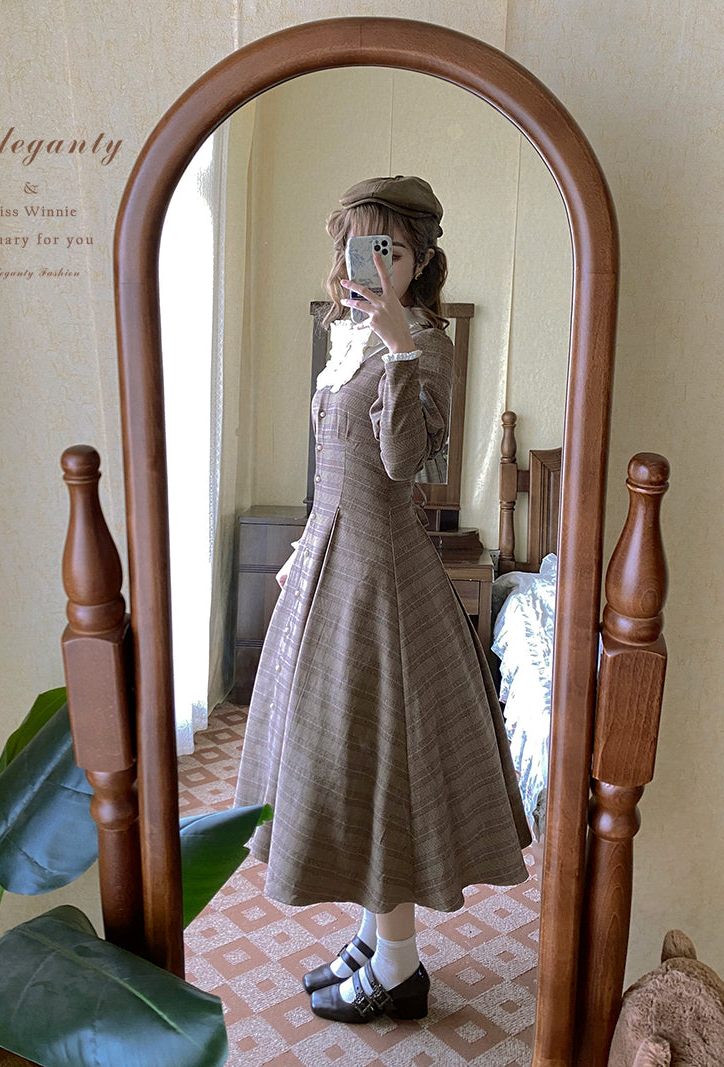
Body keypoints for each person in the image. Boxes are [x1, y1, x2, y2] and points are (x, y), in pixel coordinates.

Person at [233, 175, 531, 1024]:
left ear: (419, 261)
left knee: (380, 766)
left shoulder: (425, 344)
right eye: (357, 246)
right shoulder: (347, 337)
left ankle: (399, 966)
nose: (367, 262)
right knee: (346, 757)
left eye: (388, 249)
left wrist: (400, 347)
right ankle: (374, 936)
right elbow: (333, 465)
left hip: (384, 587)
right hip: (333, 567)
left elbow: (403, 464)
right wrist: (304, 543)